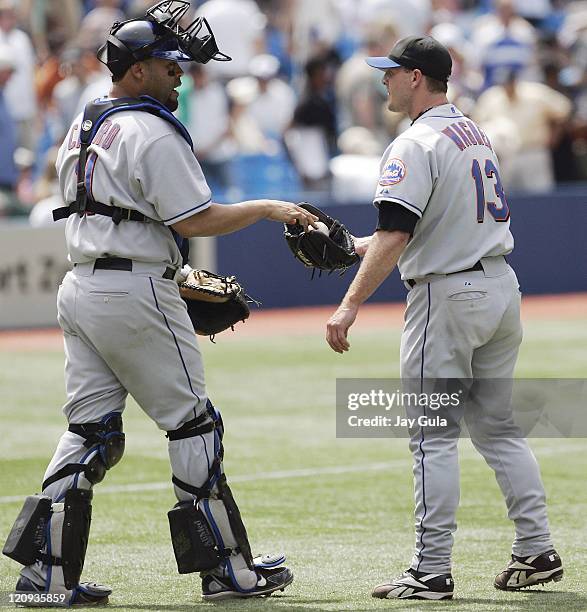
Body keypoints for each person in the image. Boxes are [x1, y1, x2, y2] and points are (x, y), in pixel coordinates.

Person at [2, 1, 316, 606]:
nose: (179, 73)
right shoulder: (150, 127)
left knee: (91, 432)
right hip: (134, 286)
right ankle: (226, 569)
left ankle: (46, 573)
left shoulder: (86, 117)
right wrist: (271, 208)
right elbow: (196, 216)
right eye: (168, 63)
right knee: (194, 423)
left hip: (82, 286)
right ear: (138, 69)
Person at [325, 35, 563, 600]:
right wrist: (363, 245)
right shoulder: (473, 131)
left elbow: (400, 232)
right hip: (499, 286)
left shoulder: (414, 143)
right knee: (499, 428)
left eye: (392, 72)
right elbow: (425, 227)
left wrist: (349, 302)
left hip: (448, 297)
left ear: (415, 77)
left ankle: (430, 569)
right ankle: (536, 547)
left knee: (432, 435)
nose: (384, 80)